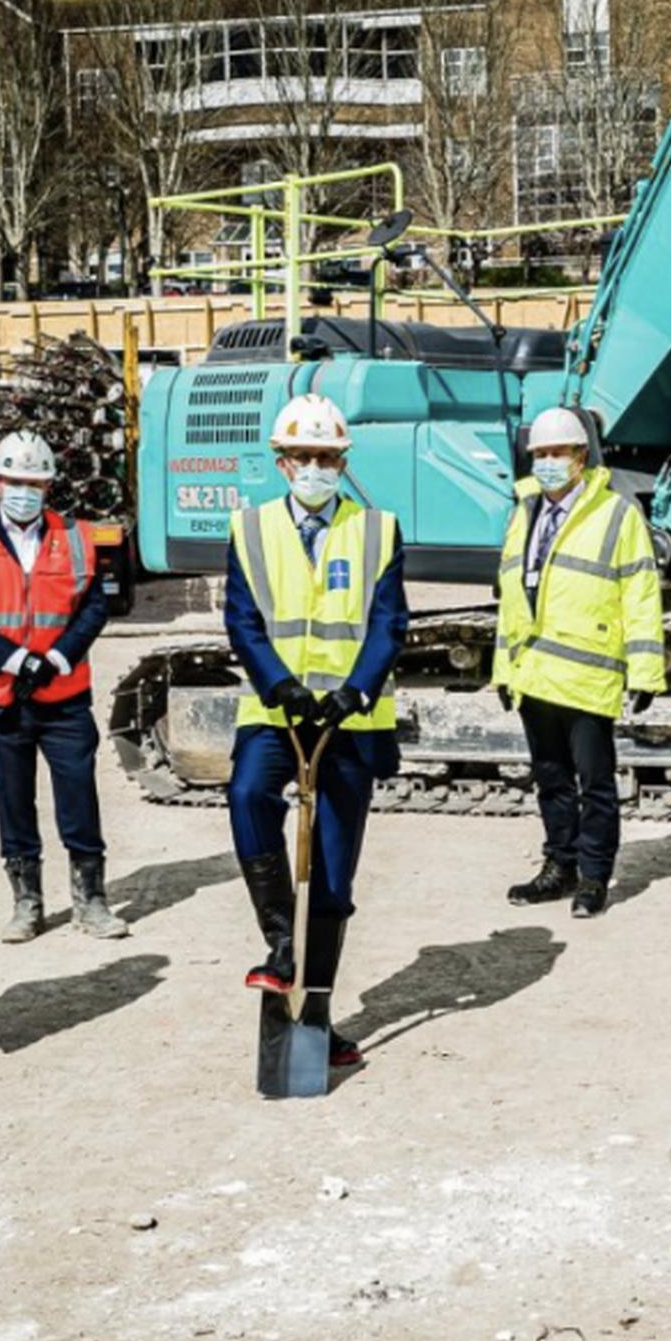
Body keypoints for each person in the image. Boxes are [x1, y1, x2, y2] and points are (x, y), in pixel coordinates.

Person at [224, 394, 409, 1070]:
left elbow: (389, 622)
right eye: (303, 456)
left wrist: (355, 691)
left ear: (342, 462)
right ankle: (281, 943)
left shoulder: (377, 529)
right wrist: (282, 687)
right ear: (281, 463)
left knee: (331, 875)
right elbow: (242, 622)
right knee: (247, 796)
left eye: (327, 457)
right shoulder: (249, 529)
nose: (315, 468)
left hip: (349, 721)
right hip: (274, 712)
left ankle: (319, 1016)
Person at [0, 429, 125, 943]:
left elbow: (93, 606)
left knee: (78, 797)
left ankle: (91, 900)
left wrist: (59, 658)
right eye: (15, 481)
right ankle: (27, 901)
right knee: (13, 800)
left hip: (62, 696)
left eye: (35, 483)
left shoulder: (75, 536)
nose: (24, 491)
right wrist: (17, 660)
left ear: (49, 487)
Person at [494, 405, 668, 918]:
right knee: (550, 779)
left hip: (588, 676)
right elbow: (510, 597)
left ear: (581, 456)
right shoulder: (523, 511)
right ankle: (559, 866)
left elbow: (640, 594)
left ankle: (594, 876)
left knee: (595, 783)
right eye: (541, 454)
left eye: (558, 452)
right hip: (535, 674)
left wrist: (645, 670)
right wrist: (504, 669)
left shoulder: (615, 514)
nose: (548, 462)